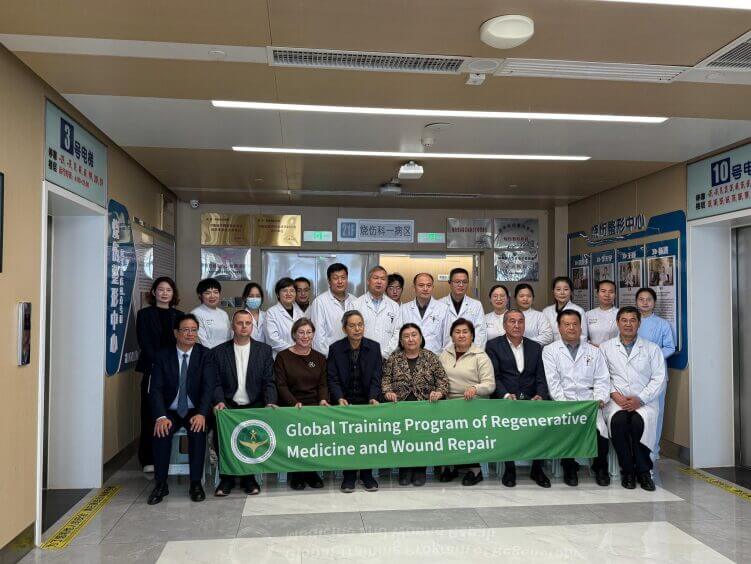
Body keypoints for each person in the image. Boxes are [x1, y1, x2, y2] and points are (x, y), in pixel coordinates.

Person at [147, 314, 213, 505]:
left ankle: (195, 484)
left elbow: (208, 388)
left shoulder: (205, 355)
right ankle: (160, 484)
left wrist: (202, 413)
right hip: (170, 410)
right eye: (185, 330)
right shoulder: (163, 355)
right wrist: (160, 416)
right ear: (176, 333)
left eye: (194, 330)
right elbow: (156, 389)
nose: (190, 334)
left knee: (197, 431)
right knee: (161, 431)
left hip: (194, 410)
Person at [209, 310, 276, 497]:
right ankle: (227, 477)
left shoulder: (264, 351)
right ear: (233, 326)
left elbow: (269, 382)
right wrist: (219, 401)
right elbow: (215, 383)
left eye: (248, 323)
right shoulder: (218, 352)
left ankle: (249, 477)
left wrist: (270, 402)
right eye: (240, 323)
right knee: (221, 432)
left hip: (255, 405)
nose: (244, 326)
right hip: (228, 406)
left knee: (253, 438)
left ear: (252, 326)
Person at [543, 310, 611, 487]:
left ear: (581, 327)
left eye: (575, 324)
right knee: (566, 428)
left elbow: (602, 379)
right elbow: (553, 382)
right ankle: (569, 467)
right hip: (563, 403)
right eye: (566, 324)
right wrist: (566, 405)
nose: (571, 328)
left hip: (590, 403)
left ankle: (600, 467)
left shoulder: (594, 351)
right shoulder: (550, 351)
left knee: (600, 431)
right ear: (559, 328)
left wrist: (599, 399)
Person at [600, 306, 666, 491]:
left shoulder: (652, 349)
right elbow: (602, 376)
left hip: (644, 402)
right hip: (617, 400)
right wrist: (615, 395)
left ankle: (644, 472)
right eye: (624, 320)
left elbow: (659, 378)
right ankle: (628, 471)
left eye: (632, 320)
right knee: (618, 423)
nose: (628, 324)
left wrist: (640, 399)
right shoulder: (606, 347)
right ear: (617, 323)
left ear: (639, 323)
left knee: (639, 423)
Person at [485, 309, 551, 488]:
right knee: (505, 424)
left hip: (531, 398)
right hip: (506, 398)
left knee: (543, 421)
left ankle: (537, 468)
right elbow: (495, 376)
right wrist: (505, 395)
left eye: (520, 321)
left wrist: (540, 395)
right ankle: (510, 469)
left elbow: (541, 377)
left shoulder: (535, 347)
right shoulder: (493, 346)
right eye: (512, 321)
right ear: (504, 324)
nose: (516, 325)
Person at [382, 323, 449, 487]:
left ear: (420, 338)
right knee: (403, 439)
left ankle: (420, 469)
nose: (410, 339)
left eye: (414, 335)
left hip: (426, 407)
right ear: (401, 341)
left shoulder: (431, 357)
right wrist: (388, 392)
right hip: (400, 407)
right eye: (406, 336)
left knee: (422, 439)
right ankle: (405, 469)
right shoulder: (394, 358)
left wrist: (439, 393)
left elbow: (443, 381)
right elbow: (385, 380)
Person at [327, 311, 382, 493]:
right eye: (352, 325)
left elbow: (376, 377)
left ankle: (367, 475)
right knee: (347, 440)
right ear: (344, 329)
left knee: (368, 440)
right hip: (345, 401)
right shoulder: (335, 349)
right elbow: (332, 378)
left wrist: (373, 397)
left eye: (360, 324)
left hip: (367, 401)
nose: (357, 329)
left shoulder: (374, 347)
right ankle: (349, 476)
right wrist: (339, 397)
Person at [273, 318, 329, 490]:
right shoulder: (282, 357)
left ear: (313, 334)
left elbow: (323, 384)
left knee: (315, 434)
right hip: (291, 406)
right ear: (294, 334)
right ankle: (297, 473)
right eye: (301, 332)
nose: (305, 336)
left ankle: (312, 471)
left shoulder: (319, 358)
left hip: (314, 407)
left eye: (309, 332)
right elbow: (281, 385)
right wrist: (294, 403)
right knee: (297, 434)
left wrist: (323, 400)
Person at [438, 318, 495, 486]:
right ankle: (449, 465)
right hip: (448, 402)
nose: (461, 335)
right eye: (457, 332)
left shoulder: (481, 356)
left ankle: (474, 470)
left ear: (472, 336)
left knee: (466, 426)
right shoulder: (444, 354)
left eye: (465, 332)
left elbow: (490, 385)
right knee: (436, 423)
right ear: (451, 336)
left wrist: (475, 388)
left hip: (472, 403)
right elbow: (438, 378)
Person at [135, 276, 184, 473]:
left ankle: (166, 457)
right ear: (154, 292)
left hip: (174, 371)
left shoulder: (179, 315)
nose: (164, 293)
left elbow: (182, 343)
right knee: (150, 413)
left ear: (173, 294)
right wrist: (161, 363)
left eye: (168, 290)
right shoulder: (144, 314)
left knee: (170, 412)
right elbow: (144, 343)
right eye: (161, 289)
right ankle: (148, 459)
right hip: (153, 369)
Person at [635, 287, 676, 458]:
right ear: (636, 302)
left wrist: (653, 358)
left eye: (649, 299)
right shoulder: (631, 321)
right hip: (634, 374)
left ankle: (653, 450)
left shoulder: (662, 324)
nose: (645, 303)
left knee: (656, 412)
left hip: (656, 373)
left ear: (654, 302)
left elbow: (670, 347)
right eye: (641, 299)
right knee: (636, 412)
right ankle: (635, 449)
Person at [355, 266, 401, 359]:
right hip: (362, 358)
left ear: (386, 283)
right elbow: (352, 332)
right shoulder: (356, 304)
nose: (379, 282)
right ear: (368, 281)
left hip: (387, 358)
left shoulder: (394, 306)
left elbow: (398, 332)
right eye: (376, 278)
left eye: (383, 279)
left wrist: (385, 354)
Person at [310, 263, 357, 355]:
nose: (340, 281)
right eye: (335, 278)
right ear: (329, 281)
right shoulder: (320, 302)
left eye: (343, 277)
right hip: (329, 356)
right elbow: (318, 336)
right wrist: (328, 357)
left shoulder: (355, 301)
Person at [400, 273, 450, 354]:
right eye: (421, 285)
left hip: (435, 357)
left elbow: (448, 340)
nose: (425, 289)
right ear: (414, 288)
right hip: (409, 356)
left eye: (429, 285)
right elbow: (399, 337)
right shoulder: (404, 309)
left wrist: (442, 359)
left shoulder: (443, 309)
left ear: (433, 287)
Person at [439, 267, 487, 348]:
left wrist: (475, 352)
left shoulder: (476, 305)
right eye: (457, 281)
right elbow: (436, 333)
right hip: (446, 351)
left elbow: (481, 332)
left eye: (464, 282)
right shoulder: (440, 304)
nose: (461, 285)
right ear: (450, 283)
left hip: (470, 352)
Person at [264, 277, 304, 358]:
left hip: (300, 356)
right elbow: (272, 340)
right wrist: (294, 350)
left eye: (292, 290)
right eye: (285, 290)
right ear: (278, 294)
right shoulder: (271, 313)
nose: (289, 294)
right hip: (281, 357)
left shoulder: (300, 313)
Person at [542, 276, 588, 343]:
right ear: (553, 291)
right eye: (558, 289)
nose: (562, 292)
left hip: (572, 348)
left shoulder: (579, 311)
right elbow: (544, 335)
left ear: (571, 292)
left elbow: (583, 336)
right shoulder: (546, 311)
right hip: (550, 348)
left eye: (566, 289)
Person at [191, 278, 232, 349]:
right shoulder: (195, 314)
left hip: (226, 352)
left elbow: (229, 336)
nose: (212, 296)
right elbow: (203, 342)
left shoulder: (223, 314)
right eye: (207, 293)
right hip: (208, 353)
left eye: (215, 292)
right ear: (200, 295)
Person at [585, 279, 619, 346]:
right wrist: (591, 346)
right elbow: (583, 336)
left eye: (611, 292)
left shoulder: (620, 314)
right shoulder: (588, 314)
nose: (607, 295)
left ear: (615, 295)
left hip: (614, 351)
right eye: (603, 291)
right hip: (592, 350)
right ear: (597, 293)